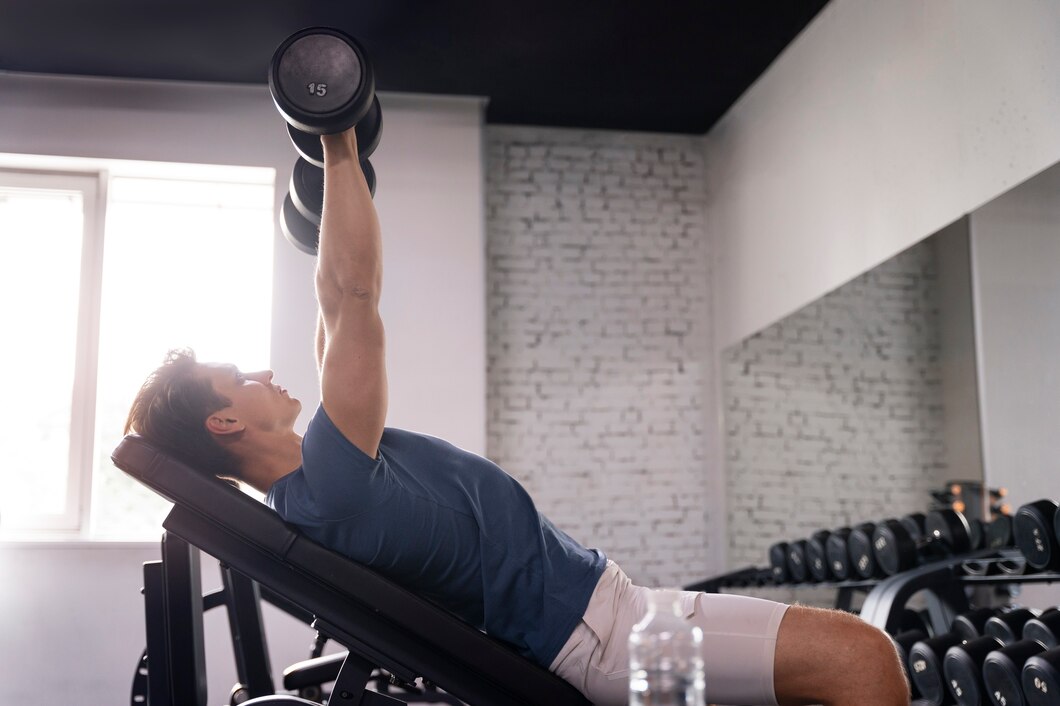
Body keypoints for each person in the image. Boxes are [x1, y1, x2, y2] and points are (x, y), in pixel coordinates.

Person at [125, 125, 909, 706]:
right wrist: (334, 140)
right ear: (226, 425)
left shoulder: (315, 487)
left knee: (813, 681)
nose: (263, 371)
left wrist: (336, 177)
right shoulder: (329, 480)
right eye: (239, 377)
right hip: (615, 644)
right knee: (860, 660)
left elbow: (334, 313)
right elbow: (352, 297)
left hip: (615, 620)